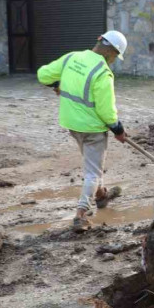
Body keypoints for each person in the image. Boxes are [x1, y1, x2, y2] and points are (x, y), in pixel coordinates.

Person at [37, 31, 129, 232]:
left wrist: (57, 83)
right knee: (93, 172)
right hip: (93, 129)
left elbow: (43, 74)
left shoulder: (72, 57)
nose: (113, 60)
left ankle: (101, 195)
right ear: (112, 52)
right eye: (115, 56)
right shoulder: (103, 72)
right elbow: (107, 111)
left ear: (98, 40)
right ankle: (80, 214)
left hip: (72, 123)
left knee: (92, 164)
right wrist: (118, 130)